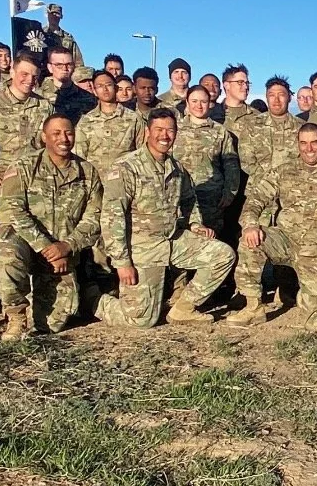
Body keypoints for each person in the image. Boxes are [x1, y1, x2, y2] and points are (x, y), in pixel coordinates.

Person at [96, 109, 235, 327]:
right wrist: (122, 262)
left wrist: (195, 224)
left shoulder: (177, 169)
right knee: (142, 320)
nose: (165, 136)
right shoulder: (126, 168)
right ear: (147, 132)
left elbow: (189, 200)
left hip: (172, 240)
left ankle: (183, 309)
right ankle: (93, 300)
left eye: (170, 130)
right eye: (159, 130)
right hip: (142, 249)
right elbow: (112, 218)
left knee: (222, 255)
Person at [225, 124, 317, 326]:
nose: (309, 148)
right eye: (303, 143)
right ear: (297, 145)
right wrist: (250, 224)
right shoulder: (284, 171)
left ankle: (296, 293)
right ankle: (253, 307)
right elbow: (256, 198)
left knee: (311, 316)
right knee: (250, 242)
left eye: (314, 142)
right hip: (285, 241)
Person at [0, 114, 103, 340]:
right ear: (44, 137)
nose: (63, 138)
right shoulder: (24, 167)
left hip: (63, 254)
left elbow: (94, 217)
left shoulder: (87, 172)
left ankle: (36, 302)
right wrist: (46, 247)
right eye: (56, 133)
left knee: (52, 324)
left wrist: (67, 246)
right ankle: (16, 316)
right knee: (6, 256)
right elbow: (9, 210)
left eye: (68, 133)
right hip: (25, 246)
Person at [0, 53, 54, 206]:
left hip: (35, 181)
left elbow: (51, 144)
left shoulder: (45, 106)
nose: (30, 80)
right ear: (12, 72)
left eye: (34, 76)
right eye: (24, 74)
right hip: (0, 182)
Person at [172, 85, 241, 234]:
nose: (199, 105)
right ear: (187, 102)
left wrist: (230, 192)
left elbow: (231, 165)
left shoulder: (220, 132)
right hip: (179, 197)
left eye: (203, 101)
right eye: (194, 101)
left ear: (209, 103)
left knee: (211, 244)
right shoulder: (175, 129)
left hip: (211, 199)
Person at [74, 71, 141, 178]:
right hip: (96, 182)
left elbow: (142, 153)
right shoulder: (86, 121)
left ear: (115, 88)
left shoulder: (133, 118)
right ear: (95, 91)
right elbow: (79, 155)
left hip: (125, 182)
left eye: (108, 85)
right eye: (100, 86)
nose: (105, 89)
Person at [238, 75, 302, 178]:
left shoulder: (302, 127)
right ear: (266, 97)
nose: (276, 100)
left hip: (293, 189)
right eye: (272, 95)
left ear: (289, 97)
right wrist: (269, 182)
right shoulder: (252, 126)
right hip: (259, 189)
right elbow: (246, 161)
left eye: (281, 95)